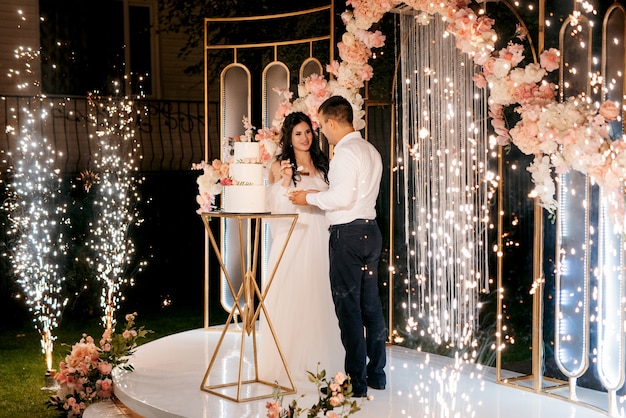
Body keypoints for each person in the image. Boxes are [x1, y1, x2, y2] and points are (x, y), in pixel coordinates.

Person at [290, 96, 387, 398]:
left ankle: (354, 382)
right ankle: (377, 376)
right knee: (370, 307)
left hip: (348, 236)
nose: (321, 133)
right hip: (371, 232)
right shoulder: (370, 150)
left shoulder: (345, 153)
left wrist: (309, 198)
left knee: (349, 310)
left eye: (321, 126)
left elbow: (341, 198)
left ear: (332, 122)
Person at [259, 111, 345, 389]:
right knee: (292, 294)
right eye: (298, 133)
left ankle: (323, 362)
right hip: (292, 237)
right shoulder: (278, 165)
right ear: (289, 137)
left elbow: (334, 200)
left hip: (320, 235)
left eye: (308, 132)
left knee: (320, 295)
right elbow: (273, 207)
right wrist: (285, 181)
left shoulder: (324, 165)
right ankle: (288, 364)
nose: (305, 138)